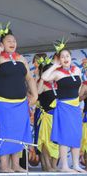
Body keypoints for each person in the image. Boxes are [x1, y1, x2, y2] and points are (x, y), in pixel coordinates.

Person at [0, 22, 37, 173]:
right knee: (5, 132)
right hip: (3, 102)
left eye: (14, 41)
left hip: (20, 103)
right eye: (8, 41)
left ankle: (16, 164)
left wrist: (35, 94)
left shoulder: (21, 58)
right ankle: (4, 165)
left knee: (19, 132)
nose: (12, 43)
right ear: (1, 43)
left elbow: (29, 79)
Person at [41, 43, 85, 172]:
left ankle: (76, 164)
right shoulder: (57, 73)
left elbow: (80, 86)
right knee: (64, 136)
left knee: (76, 135)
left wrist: (80, 103)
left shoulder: (77, 70)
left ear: (71, 58)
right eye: (62, 57)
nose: (65, 58)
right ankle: (65, 166)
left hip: (75, 107)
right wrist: (54, 65)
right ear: (59, 59)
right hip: (64, 107)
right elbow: (44, 77)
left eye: (67, 56)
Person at [36, 56, 58, 172]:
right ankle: (48, 166)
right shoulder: (43, 85)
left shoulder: (58, 84)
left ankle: (54, 166)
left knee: (57, 142)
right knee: (45, 142)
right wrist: (42, 79)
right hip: (47, 117)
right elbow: (38, 92)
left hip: (58, 118)